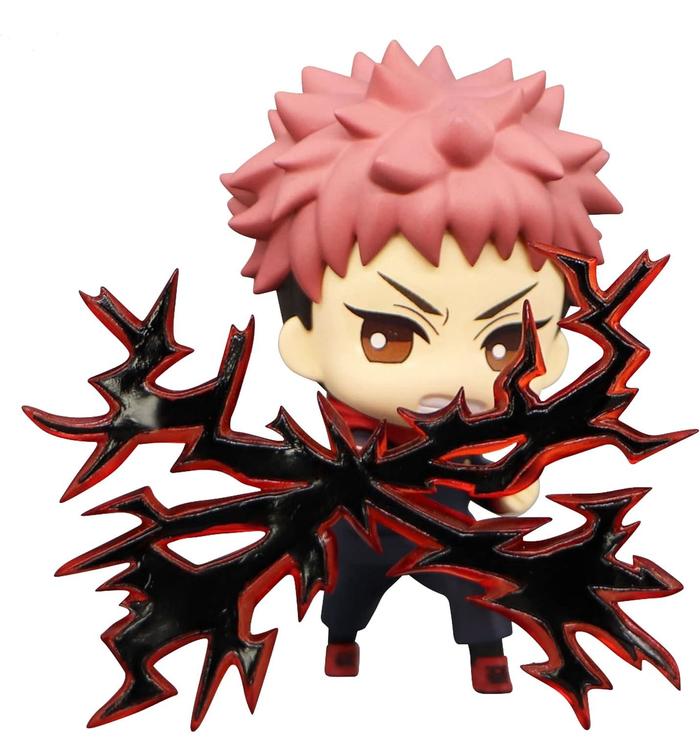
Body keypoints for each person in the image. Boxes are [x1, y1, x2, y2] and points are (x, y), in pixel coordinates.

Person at [221, 41, 622, 692]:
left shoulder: (469, 434)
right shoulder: (349, 435)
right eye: (389, 336)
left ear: (552, 348)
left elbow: (499, 478)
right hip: (361, 533)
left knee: (480, 591)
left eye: (502, 343)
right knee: (346, 594)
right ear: (303, 341)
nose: (455, 374)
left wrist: (510, 485)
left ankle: (488, 660)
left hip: (451, 532)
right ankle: (341, 641)